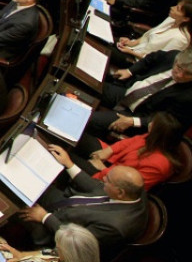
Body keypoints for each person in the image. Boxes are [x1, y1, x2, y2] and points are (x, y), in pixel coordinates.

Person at [16, 165, 146, 260]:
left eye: (108, 179)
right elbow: (97, 187)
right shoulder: (135, 190)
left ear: (120, 193)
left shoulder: (115, 227)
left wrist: (45, 217)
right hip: (66, 204)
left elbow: (76, 242)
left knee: (14, 206)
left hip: (58, 230)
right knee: (33, 183)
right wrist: (69, 164)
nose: (104, 178)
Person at [80, 48, 192, 151]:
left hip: (136, 116)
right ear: (177, 60)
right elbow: (150, 58)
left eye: (188, 74)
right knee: (83, 82)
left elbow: (167, 122)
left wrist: (134, 121)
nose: (180, 75)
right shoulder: (173, 55)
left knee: (88, 119)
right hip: (127, 93)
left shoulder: (188, 97)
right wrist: (130, 71)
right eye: (179, 68)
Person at [51, 111, 181, 191]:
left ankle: (58, 186)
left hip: (109, 181)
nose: (150, 124)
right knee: (75, 134)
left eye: (154, 124)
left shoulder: (159, 165)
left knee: (64, 155)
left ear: (159, 134)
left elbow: (127, 182)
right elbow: (129, 142)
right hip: (112, 160)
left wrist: (104, 170)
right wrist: (109, 150)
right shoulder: (151, 137)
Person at [116, 0, 191, 62]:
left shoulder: (181, 39)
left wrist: (130, 52)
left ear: (186, 19)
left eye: (177, 9)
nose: (172, 7)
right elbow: (148, 35)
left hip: (139, 62)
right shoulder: (171, 19)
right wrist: (131, 43)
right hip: (133, 49)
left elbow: (158, 60)